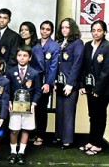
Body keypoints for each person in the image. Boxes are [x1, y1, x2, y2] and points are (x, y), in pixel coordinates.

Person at [6, 45, 42, 165]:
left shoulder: (34, 73)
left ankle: (21, 152)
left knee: (26, 129)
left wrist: (34, 103)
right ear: (16, 57)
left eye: (25, 56)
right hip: (14, 107)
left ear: (30, 58)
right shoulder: (10, 72)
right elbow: (8, 90)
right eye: (20, 55)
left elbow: (37, 90)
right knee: (14, 130)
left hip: (28, 107)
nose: (22, 58)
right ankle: (13, 152)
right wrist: (9, 101)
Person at [79, 20, 109, 155]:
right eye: (94, 30)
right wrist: (83, 85)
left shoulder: (107, 47)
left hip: (103, 89)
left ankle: (97, 144)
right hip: (89, 87)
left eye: (99, 30)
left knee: (100, 116)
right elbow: (85, 67)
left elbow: (106, 71)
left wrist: (98, 89)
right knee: (92, 115)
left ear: (105, 32)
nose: (96, 33)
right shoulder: (88, 45)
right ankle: (91, 141)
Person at [54, 18, 84, 149]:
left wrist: (70, 83)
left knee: (68, 112)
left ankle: (67, 140)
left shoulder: (77, 43)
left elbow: (77, 64)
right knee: (60, 110)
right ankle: (59, 136)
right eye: (62, 27)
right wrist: (55, 81)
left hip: (70, 83)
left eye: (67, 27)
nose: (64, 30)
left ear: (72, 28)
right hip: (60, 82)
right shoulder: (61, 42)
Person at [33, 20, 59, 146]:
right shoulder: (35, 43)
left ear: (51, 31)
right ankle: (33, 133)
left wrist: (48, 83)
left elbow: (53, 67)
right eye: (43, 28)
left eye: (48, 29)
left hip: (45, 80)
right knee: (32, 108)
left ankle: (41, 135)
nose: (45, 31)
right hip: (33, 80)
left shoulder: (54, 46)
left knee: (42, 109)